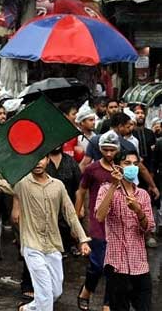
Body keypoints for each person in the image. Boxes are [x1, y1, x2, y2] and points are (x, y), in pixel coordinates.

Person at [13, 156, 91, 311]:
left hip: (53, 244)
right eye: (35, 158)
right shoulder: (22, 183)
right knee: (46, 294)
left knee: (55, 292)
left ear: (48, 160)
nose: (37, 162)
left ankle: (29, 308)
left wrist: (82, 239)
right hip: (32, 244)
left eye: (41, 158)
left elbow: (70, 214)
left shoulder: (57, 185)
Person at [94, 150, 153, 311]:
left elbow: (148, 228)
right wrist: (114, 184)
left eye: (135, 163)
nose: (132, 167)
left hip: (139, 264)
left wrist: (138, 210)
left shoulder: (143, 195)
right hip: (116, 264)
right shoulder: (106, 189)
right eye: (127, 163)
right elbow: (99, 216)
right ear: (118, 166)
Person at [75, 131, 119, 311]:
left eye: (112, 150)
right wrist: (77, 216)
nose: (108, 154)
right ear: (100, 149)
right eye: (105, 150)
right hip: (97, 222)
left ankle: (108, 302)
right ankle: (87, 290)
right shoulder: (92, 169)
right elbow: (81, 191)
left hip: (117, 223)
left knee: (115, 267)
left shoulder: (121, 169)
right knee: (98, 264)